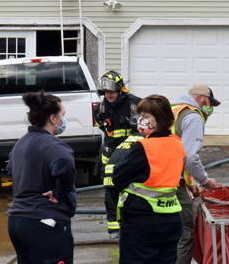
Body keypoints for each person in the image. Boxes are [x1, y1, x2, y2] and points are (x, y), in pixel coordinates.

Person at [112, 94, 186, 264]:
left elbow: (118, 177)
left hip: (142, 222)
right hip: (171, 219)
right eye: (140, 116)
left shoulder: (142, 147)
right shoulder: (177, 145)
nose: (140, 120)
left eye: (145, 116)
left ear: (159, 119)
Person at [7, 92, 76, 264]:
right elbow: (65, 168)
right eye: (63, 116)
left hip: (17, 222)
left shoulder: (20, 144)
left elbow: (10, 172)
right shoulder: (53, 145)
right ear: (53, 118)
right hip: (44, 222)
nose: (64, 120)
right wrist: (59, 193)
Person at [170, 85, 221, 264]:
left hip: (154, 179)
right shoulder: (193, 116)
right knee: (185, 231)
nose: (210, 108)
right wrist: (205, 181)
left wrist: (190, 181)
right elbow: (190, 157)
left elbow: (175, 149)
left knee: (162, 230)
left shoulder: (172, 109)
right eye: (209, 102)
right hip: (172, 183)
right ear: (199, 98)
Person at [94, 70, 142, 237]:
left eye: (112, 91)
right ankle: (114, 229)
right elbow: (103, 127)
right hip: (109, 157)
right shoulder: (101, 108)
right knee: (110, 191)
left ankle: (131, 225)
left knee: (132, 190)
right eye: (106, 92)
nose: (109, 95)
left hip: (130, 155)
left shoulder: (134, 104)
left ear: (120, 90)